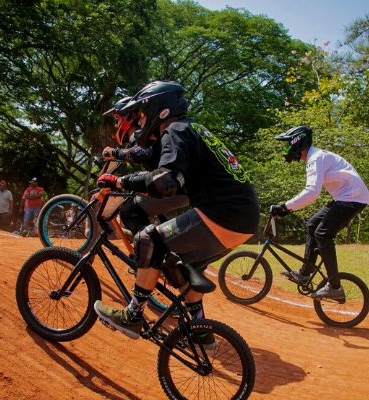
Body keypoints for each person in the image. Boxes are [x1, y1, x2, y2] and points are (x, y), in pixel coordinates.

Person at [93, 81, 260, 340]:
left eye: (142, 112)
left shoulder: (175, 131)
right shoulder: (192, 129)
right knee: (185, 265)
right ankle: (200, 330)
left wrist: (120, 181)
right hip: (244, 219)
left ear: (159, 109)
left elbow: (165, 181)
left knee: (149, 239)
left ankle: (133, 316)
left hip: (221, 212)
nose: (141, 118)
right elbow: (154, 160)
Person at [270, 125, 369, 301]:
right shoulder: (315, 157)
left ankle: (335, 287)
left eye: (287, 145)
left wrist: (285, 207)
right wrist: (288, 207)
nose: (285, 149)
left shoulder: (315, 158)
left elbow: (312, 193)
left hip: (353, 198)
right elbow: (312, 193)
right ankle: (304, 274)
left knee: (323, 234)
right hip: (345, 198)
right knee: (312, 225)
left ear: (297, 142)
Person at [102, 96, 189, 236]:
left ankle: (152, 246)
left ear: (127, 117)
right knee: (141, 185)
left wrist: (114, 152)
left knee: (128, 212)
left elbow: (142, 153)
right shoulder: (145, 133)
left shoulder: (139, 134)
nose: (116, 124)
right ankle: (162, 244)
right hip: (178, 184)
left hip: (175, 185)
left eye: (118, 119)